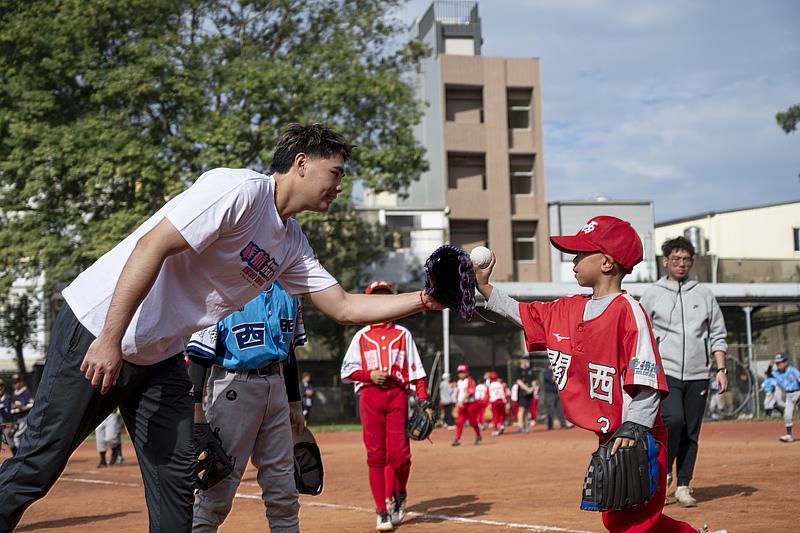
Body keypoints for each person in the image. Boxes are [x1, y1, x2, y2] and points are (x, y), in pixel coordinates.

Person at [0, 123, 444, 532]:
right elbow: (151, 245)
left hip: (160, 354)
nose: (340, 185)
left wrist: (429, 298)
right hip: (98, 327)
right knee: (37, 466)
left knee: (176, 492)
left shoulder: (290, 243)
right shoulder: (238, 191)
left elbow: (343, 306)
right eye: (336, 172)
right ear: (301, 163)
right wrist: (109, 339)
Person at [475, 216, 724, 533]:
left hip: (641, 434)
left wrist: (634, 429)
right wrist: (485, 288)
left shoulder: (627, 311)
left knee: (632, 522)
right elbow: (524, 314)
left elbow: (646, 381)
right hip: (612, 435)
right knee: (622, 518)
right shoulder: (569, 308)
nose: (573, 261)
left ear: (606, 263)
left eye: (580, 254)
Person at [187, 282, 306, 532]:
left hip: (277, 386)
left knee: (283, 486)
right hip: (234, 385)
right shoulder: (222, 286)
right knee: (218, 481)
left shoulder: (289, 292)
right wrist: (196, 409)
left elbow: (291, 351)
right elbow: (198, 356)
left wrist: (295, 401)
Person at [640, 236, 728, 508]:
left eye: (686, 259)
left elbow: (717, 333)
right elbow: (639, 332)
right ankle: (666, 470)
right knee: (673, 421)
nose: (681, 264)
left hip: (698, 372)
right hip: (665, 371)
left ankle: (683, 485)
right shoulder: (653, 293)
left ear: (692, 262)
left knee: (692, 430)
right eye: (675, 259)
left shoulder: (703, 294)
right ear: (665, 261)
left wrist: (721, 368)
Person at [340, 280, 431, 532]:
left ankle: (399, 493)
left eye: (385, 296)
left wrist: (424, 400)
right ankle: (382, 509)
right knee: (376, 456)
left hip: (397, 395)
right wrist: (369, 375)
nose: (381, 300)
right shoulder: (361, 336)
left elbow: (417, 371)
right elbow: (348, 370)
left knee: (400, 457)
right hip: (370, 396)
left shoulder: (403, 334)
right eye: (376, 297)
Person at [772, 353, 800, 442]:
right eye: (777, 363)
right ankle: (789, 435)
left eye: (780, 362)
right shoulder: (777, 373)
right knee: (787, 415)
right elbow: (770, 373)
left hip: (798, 393)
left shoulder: (793, 370)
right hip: (789, 395)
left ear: (786, 362)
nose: (778, 365)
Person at [452, 364, 481, 447]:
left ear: (467, 372)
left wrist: (462, 400)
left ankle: (478, 436)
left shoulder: (470, 380)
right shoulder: (459, 382)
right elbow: (458, 393)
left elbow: (470, 392)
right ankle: (457, 439)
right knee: (459, 422)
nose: (461, 374)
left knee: (472, 422)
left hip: (471, 404)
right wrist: (457, 402)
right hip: (462, 405)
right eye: (459, 372)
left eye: (463, 372)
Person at [8, 375, 33, 456]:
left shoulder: (26, 392)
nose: (15, 384)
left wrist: (23, 407)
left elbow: (32, 404)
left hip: (24, 419)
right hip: (17, 420)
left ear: (21, 382)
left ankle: (19, 456)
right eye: (14, 382)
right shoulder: (14, 393)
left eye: (17, 382)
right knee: (13, 437)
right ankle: (23, 455)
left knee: (16, 437)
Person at [515, 358, 535, 433]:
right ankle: (520, 426)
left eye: (526, 359)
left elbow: (533, 379)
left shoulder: (529, 369)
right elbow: (518, 381)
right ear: (520, 361)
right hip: (522, 392)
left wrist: (532, 388)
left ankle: (525, 425)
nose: (525, 361)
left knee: (527, 410)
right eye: (523, 359)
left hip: (529, 392)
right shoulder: (518, 369)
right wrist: (526, 389)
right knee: (521, 409)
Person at [488, 371, 508, 435]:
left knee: (495, 415)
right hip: (501, 400)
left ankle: (496, 429)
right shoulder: (500, 384)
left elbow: (489, 394)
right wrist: (505, 401)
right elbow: (503, 393)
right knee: (501, 414)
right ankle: (501, 424)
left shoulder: (490, 385)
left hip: (494, 401)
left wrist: (489, 403)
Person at [0, 379, 15, 456]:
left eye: (1, 385)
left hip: (7, 426)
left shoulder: (9, 399)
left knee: (12, 443)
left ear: (4, 387)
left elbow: (14, 414)